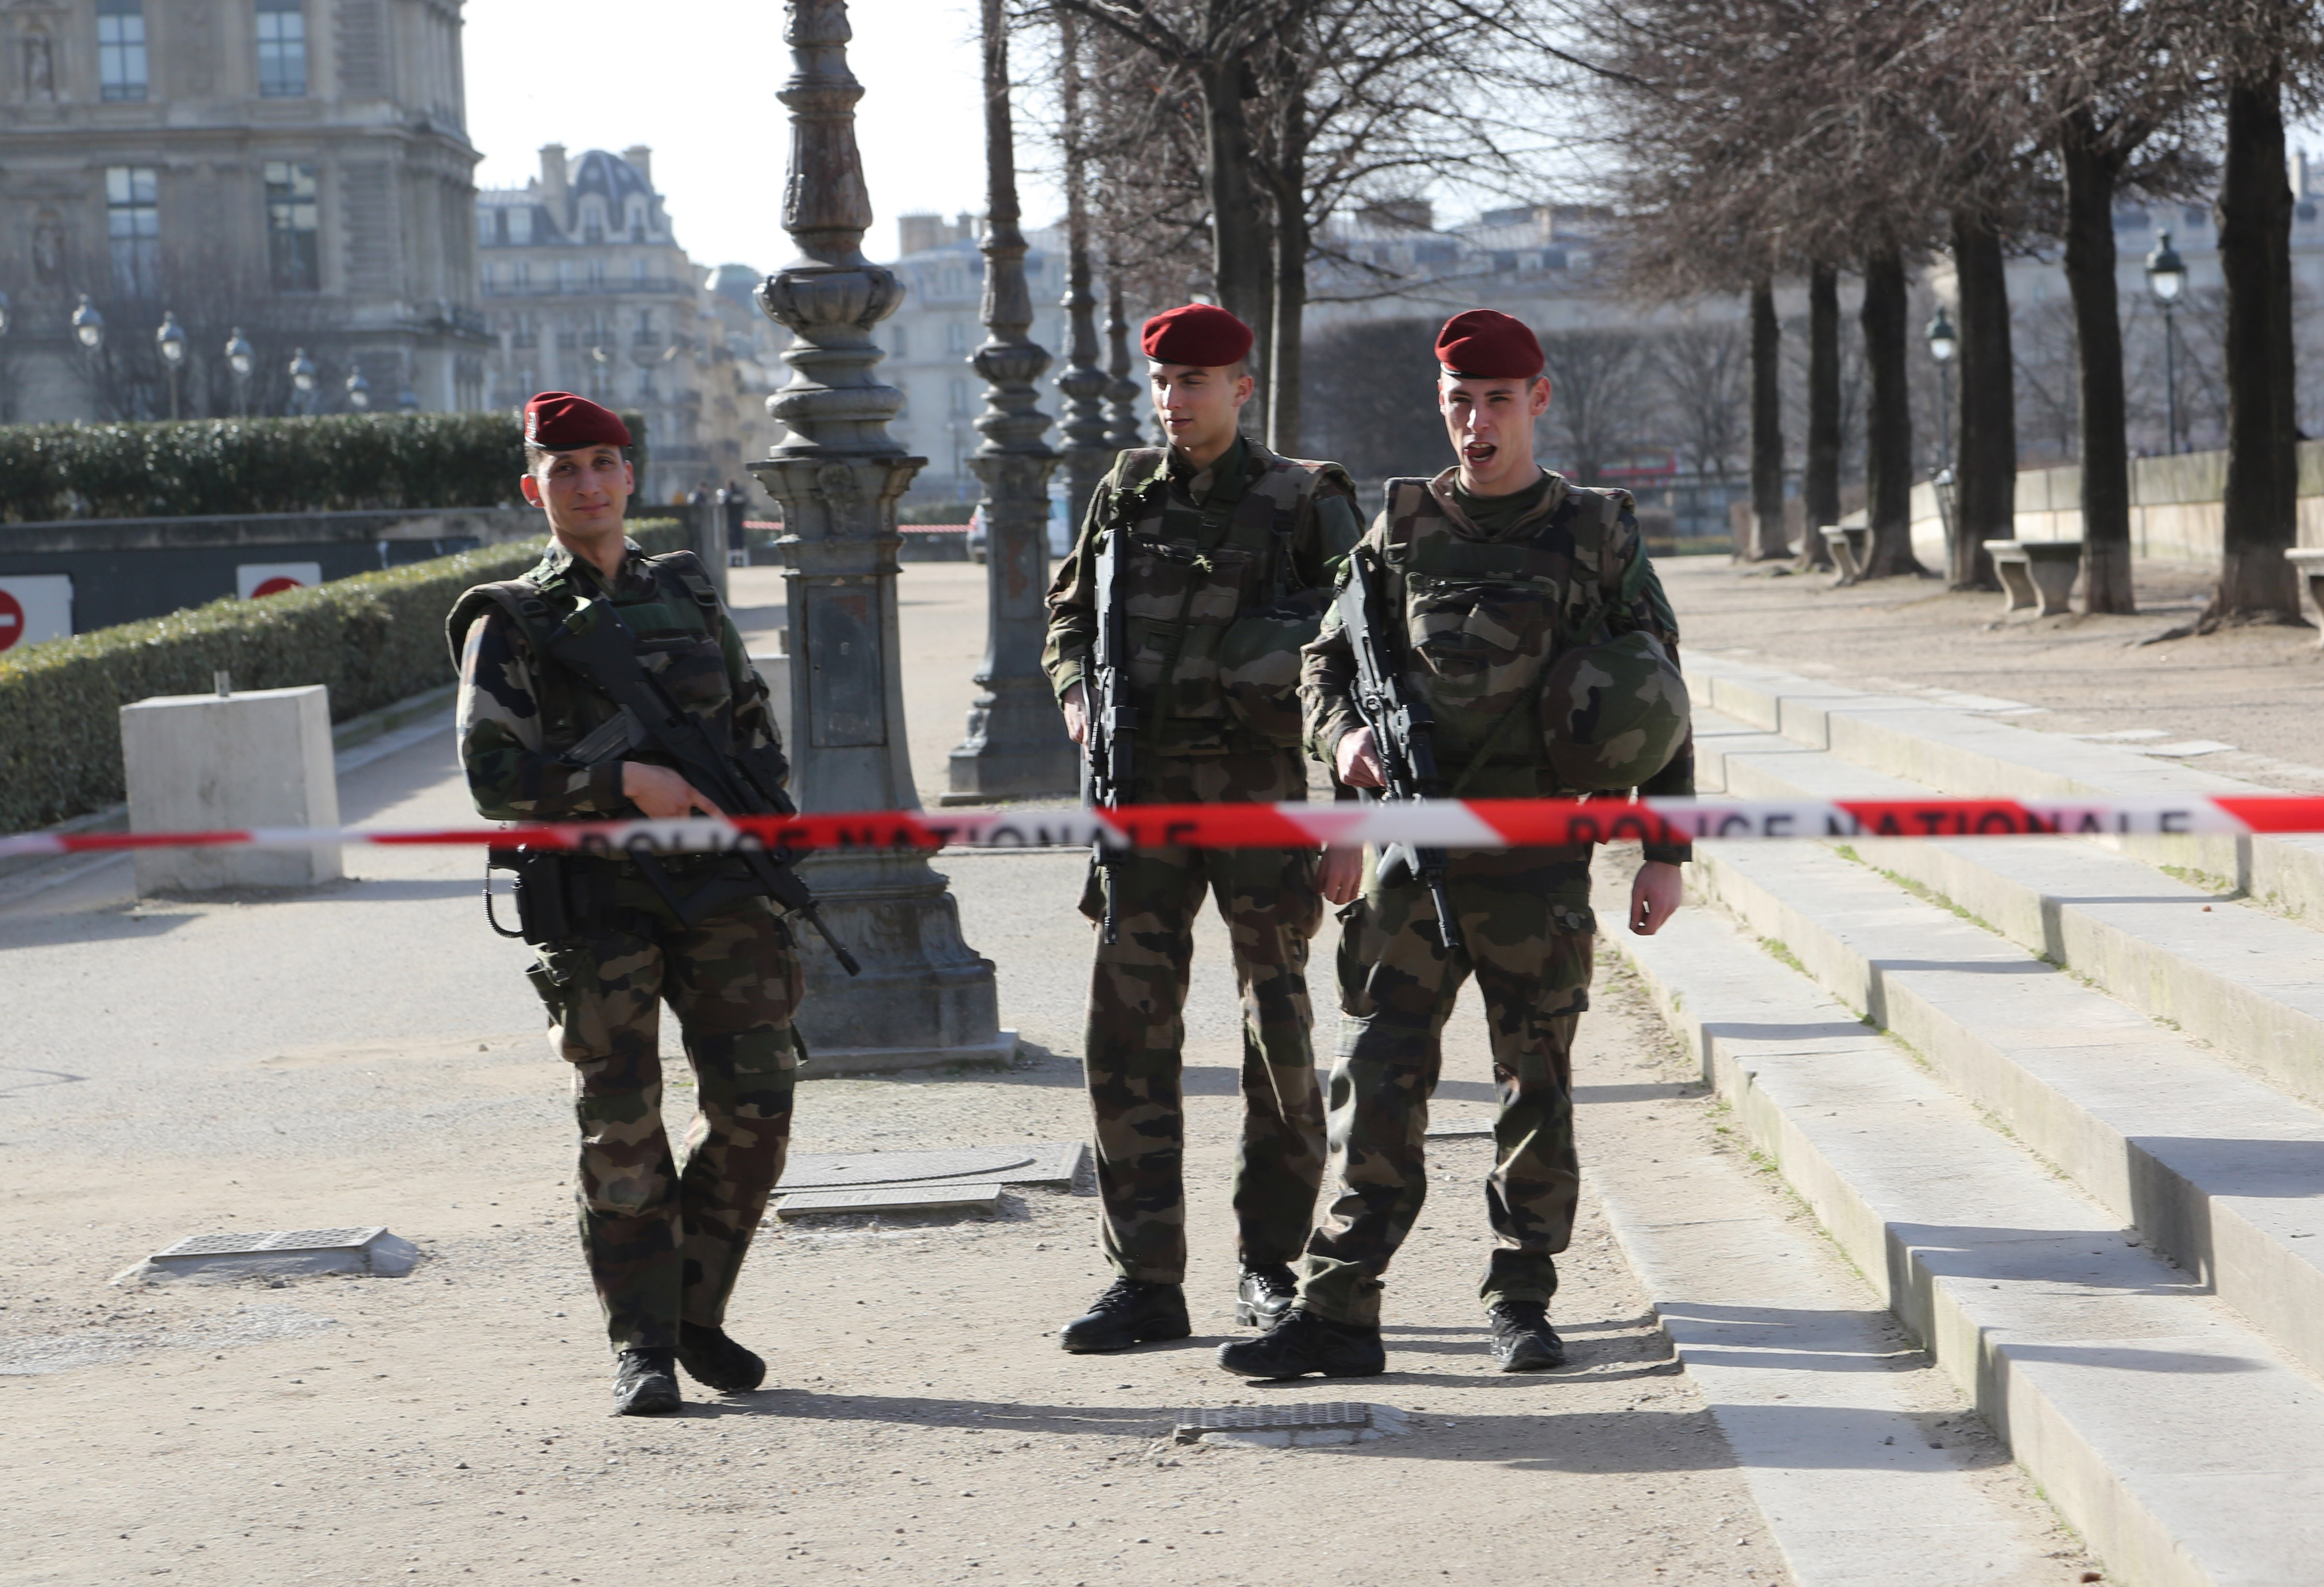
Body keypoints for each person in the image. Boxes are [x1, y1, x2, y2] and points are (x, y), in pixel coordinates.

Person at [1218, 309, 1695, 1381]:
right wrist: (1342, 743)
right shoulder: (1399, 530)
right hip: (1409, 859)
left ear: (1538, 402)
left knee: (1535, 1086)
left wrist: (1665, 849)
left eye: (1497, 403)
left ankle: (1522, 1296)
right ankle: (1340, 1308)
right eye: (1459, 404)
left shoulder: (1597, 531)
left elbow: (1661, 691)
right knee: (1375, 1083)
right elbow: (1326, 662)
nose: (1476, 425)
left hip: (1538, 858)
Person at [447, 392, 803, 1415]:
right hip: (599, 902)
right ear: (535, 489)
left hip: (719, 886)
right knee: (622, 1125)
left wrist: (764, 823)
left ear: (630, 474)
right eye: (564, 469)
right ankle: (643, 1344)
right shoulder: (510, 619)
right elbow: (492, 776)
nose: (588, 484)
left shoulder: (686, 590)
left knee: (759, 1105)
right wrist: (621, 783)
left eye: (603, 463)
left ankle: (694, 1309)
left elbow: (751, 724)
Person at [1042, 304, 1365, 1352]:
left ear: (1241, 387)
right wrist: (1075, 696)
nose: (1174, 401)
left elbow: (1359, 659)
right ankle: (1146, 1278)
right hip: (1141, 795)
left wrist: (1349, 819)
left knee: (1278, 1030)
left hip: (1262, 794)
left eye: (1195, 381)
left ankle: (1270, 1263)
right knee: (1125, 1033)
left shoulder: (1304, 500)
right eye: (1163, 382)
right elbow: (1067, 613)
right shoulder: (1125, 491)